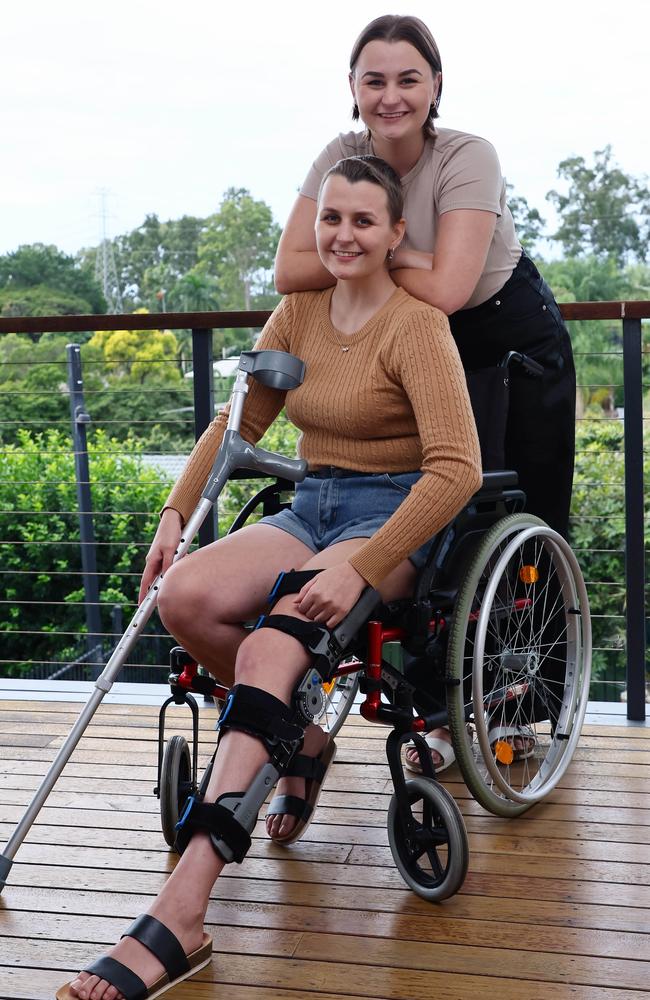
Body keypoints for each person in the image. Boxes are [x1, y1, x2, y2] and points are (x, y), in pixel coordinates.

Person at [57, 155, 481, 1000]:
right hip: (310, 501)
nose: (344, 235)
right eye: (332, 218)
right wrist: (175, 513)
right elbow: (237, 420)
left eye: (365, 221)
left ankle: (180, 914)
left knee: (272, 647)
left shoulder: (417, 325)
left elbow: (458, 471)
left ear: (398, 234)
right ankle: (303, 739)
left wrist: (363, 562)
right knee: (184, 597)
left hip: (391, 521)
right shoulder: (298, 311)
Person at [274, 13, 576, 773]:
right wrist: (382, 249)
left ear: (436, 85)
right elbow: (289, 271)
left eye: (409, 78)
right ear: (352, 88)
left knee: (513, 529)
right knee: (427, 535)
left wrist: (373, 245)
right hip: (404, 343)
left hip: (502, 343)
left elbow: (446, 288)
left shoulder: (467, 156)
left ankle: (521, 709)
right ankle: (432, 714)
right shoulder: (339, 155)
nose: (391, 95)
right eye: (374, 80)